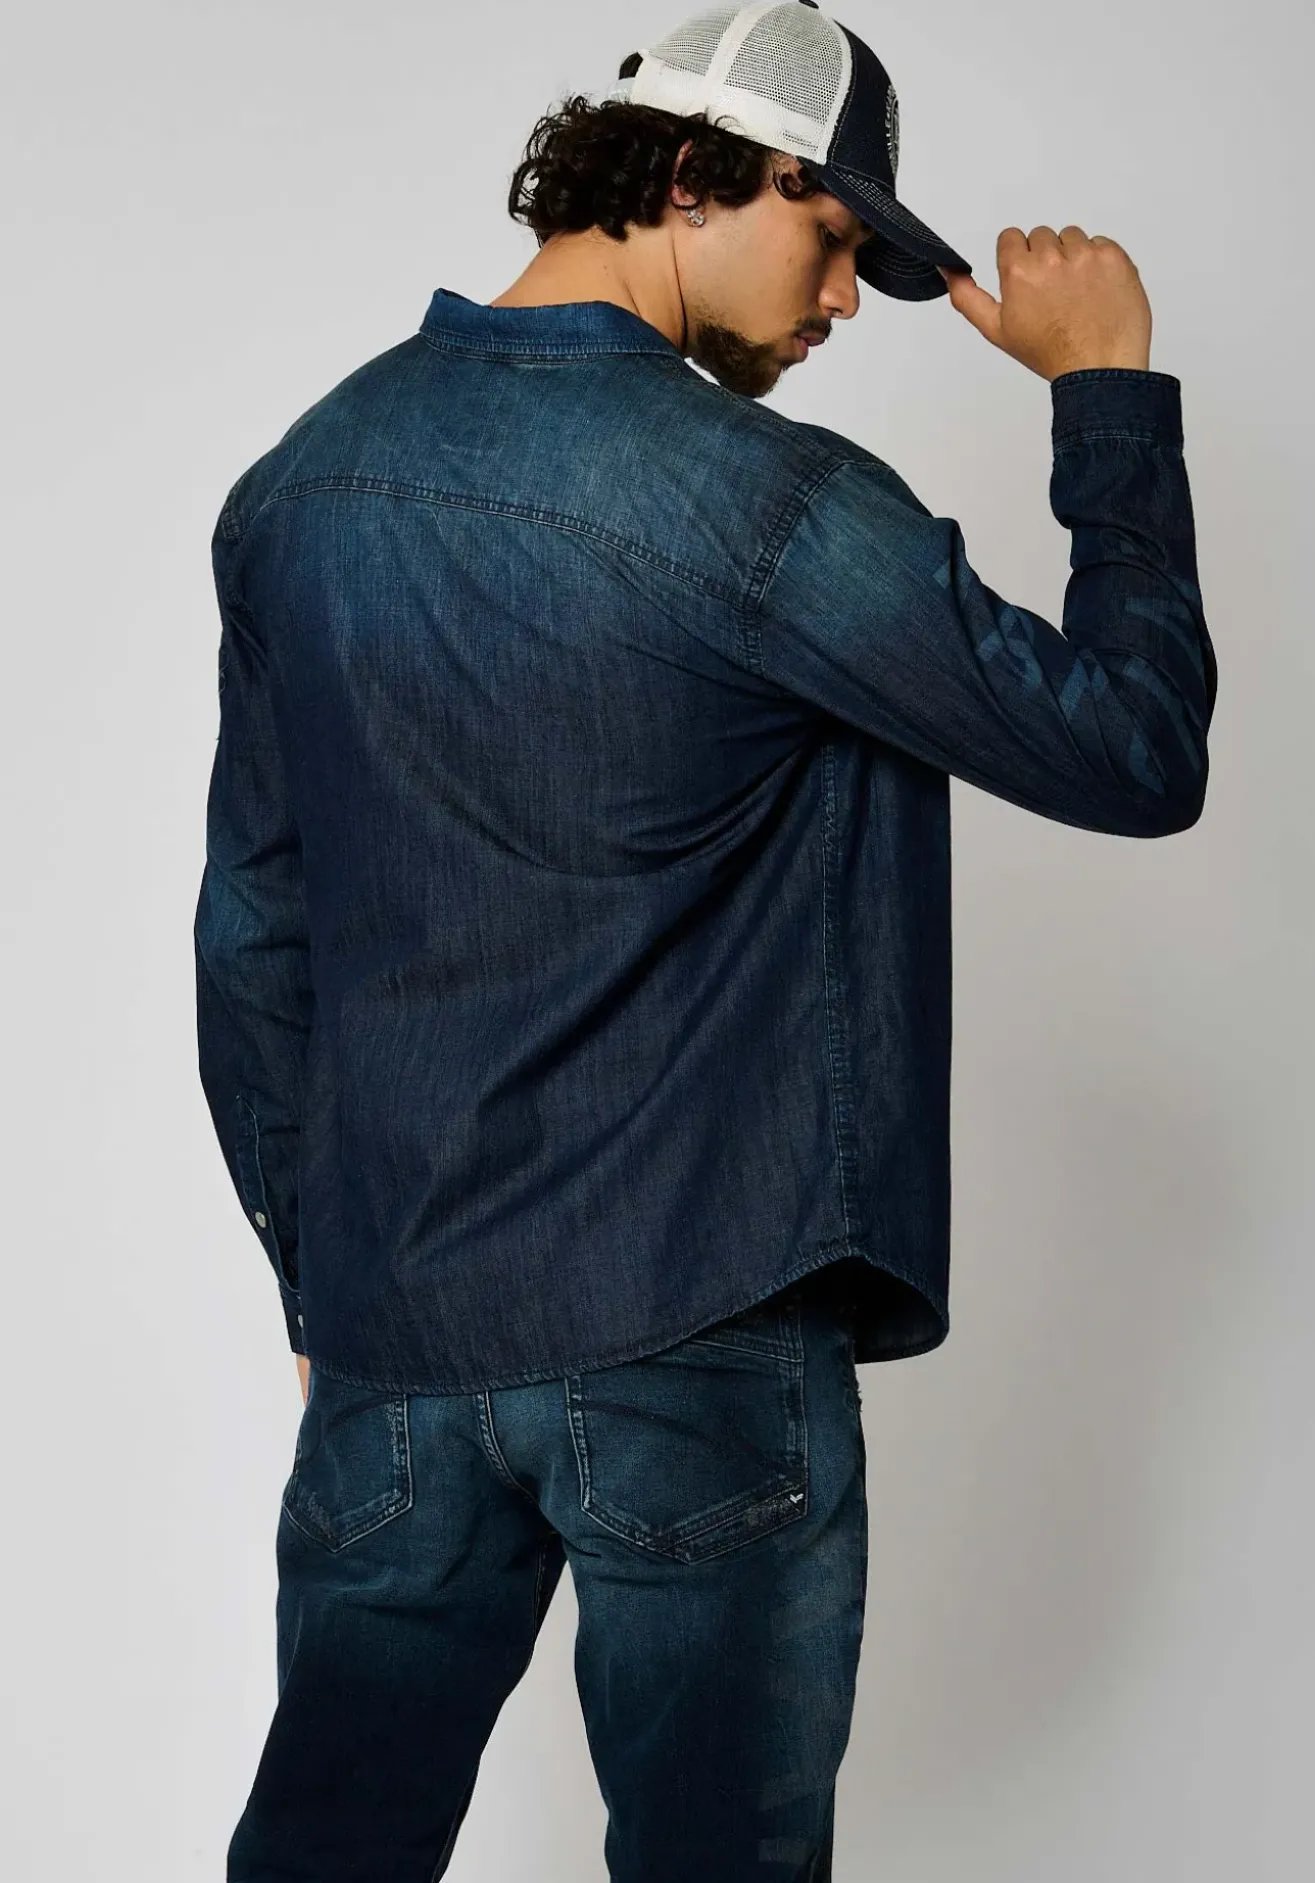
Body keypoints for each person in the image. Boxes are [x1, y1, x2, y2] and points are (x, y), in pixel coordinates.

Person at [196, 5, 1217, 1878]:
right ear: (689, 176)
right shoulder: (771, 510)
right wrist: (1106, 396)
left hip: (395, 1346)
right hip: (695, 1324)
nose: (839, 304)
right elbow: (1133, 752)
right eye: (830, 238)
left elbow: (257, 940)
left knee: (325, 1850)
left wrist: (320, 1288)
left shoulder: (299, 488)